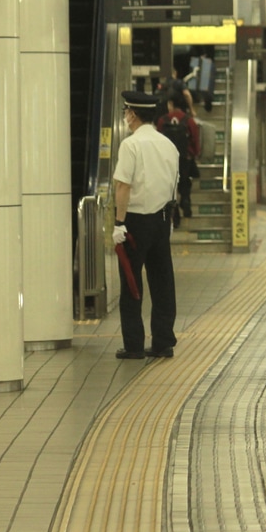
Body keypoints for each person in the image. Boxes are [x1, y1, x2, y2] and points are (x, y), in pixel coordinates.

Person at [112, 91, 181, 359]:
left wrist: (119, 223)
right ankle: (163, 341)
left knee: (131, 283)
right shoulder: (169, 145)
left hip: (136, 223)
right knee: (162, 281)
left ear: (132, 114)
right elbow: (173, 185)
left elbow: (123, 186)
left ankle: (134, 346)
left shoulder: (131, 145)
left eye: (126, 113)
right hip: (162, 220)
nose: (126, 117)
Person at [156, 92, 201, 227]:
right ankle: (186, 200)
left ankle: (174, 215)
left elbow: (158, 139)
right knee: (185, 181)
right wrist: (193, 153)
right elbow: (195, 140)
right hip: (184, 158)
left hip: (167, 160)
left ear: (171, 104)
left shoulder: (162, 120)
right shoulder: (189, 120)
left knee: (170, 186)